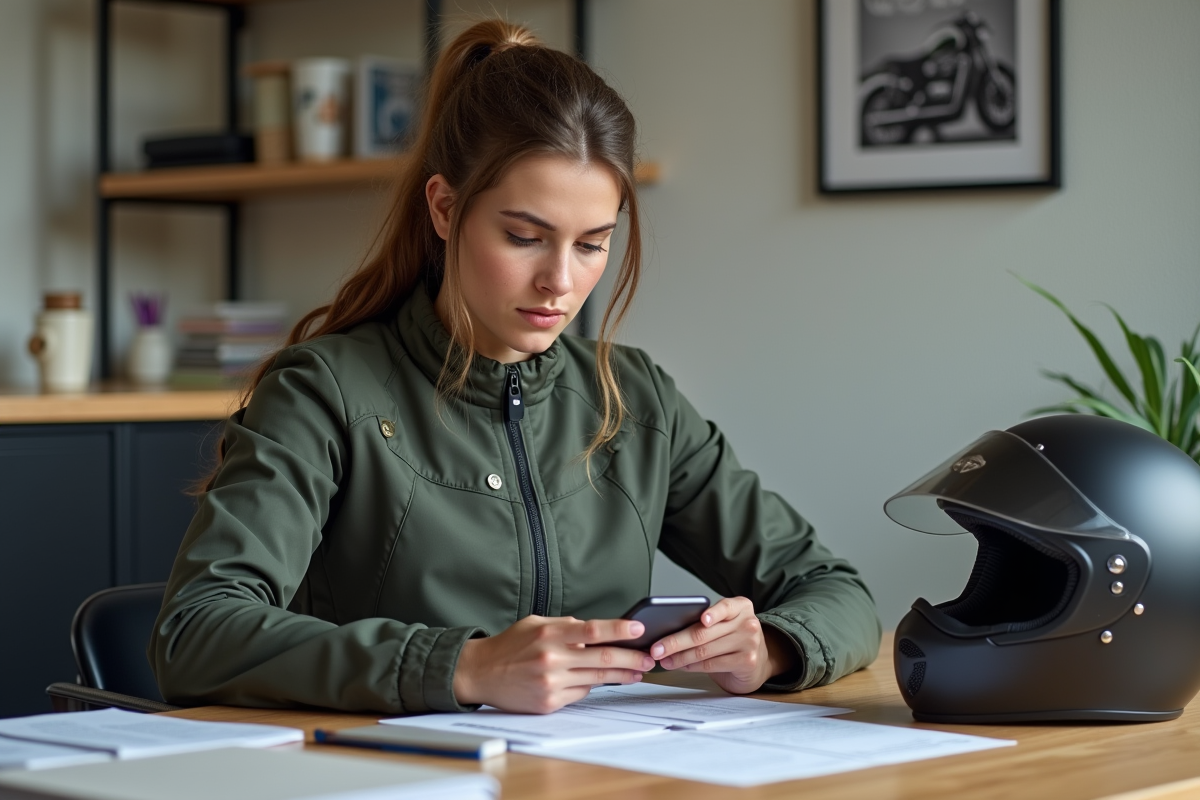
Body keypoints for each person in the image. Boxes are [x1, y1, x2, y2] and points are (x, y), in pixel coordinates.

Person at [150, 20, 881, 715]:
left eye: (592, 244)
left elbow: (834, 591)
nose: (559, 281)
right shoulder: (323, 392)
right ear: (444, 208)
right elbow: (196, 633)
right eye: (525, 236)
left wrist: (773, 648)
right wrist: (464, 667)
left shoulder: (635, 401)